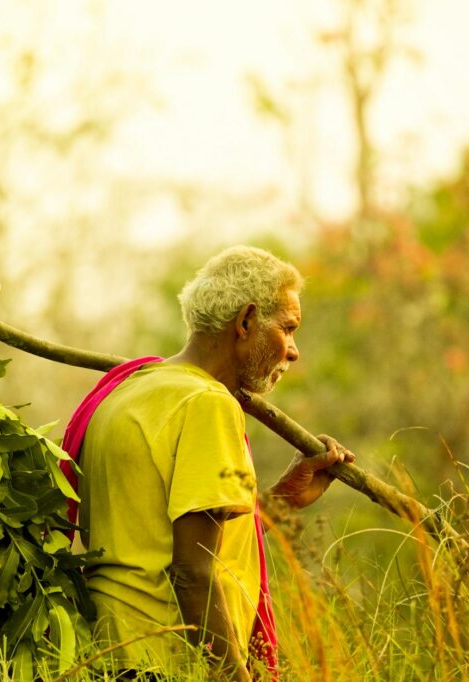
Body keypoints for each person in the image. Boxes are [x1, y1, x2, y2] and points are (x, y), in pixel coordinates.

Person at [67, 246, 353, 681]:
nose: (293, 351)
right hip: (165, 660)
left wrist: (279, 501)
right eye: (289, 329)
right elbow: (193, 571)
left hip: (105, 654)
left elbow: (159, 528)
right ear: (246, 322)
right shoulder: (207, 404)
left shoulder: (129, 391)